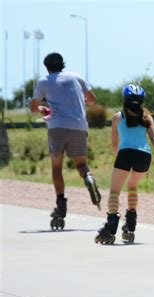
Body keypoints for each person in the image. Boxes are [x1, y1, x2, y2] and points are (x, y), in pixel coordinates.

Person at [31, 52, 102, 230]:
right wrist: (77, 102)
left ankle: (61, 207)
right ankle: (89, 178)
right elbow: (93, 100)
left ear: (47, 67)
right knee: (81, 165)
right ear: (63, 64)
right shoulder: (76, 76)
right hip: (79, 126)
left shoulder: (44, 81)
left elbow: (34, 107)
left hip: (57, 126)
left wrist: (44, 109)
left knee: (57, 168)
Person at [94, 83, 154, 244]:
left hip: (126, 153)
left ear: (124, 100)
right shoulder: (147, 117)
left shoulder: (117, 117)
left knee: (115, 191)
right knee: (132, 187)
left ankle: (110, 227)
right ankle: (130, 225)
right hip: (144, 156)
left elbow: (115, 144)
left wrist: (119, 158)